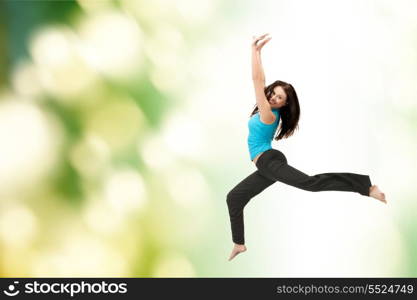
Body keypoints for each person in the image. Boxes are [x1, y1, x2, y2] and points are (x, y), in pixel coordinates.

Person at [226, 33, 387, 261]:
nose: (272, 98)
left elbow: (257, 81)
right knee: (234, 197)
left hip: (269, 161)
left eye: (279, 98)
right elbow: (262, 81)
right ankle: (239, 244)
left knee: (310, 184)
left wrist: (253, 51)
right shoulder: (267, 108)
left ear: (283, 104)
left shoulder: (268, 115)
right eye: (273, 93)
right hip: (266, 165)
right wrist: (259, 54)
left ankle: (366, 187)